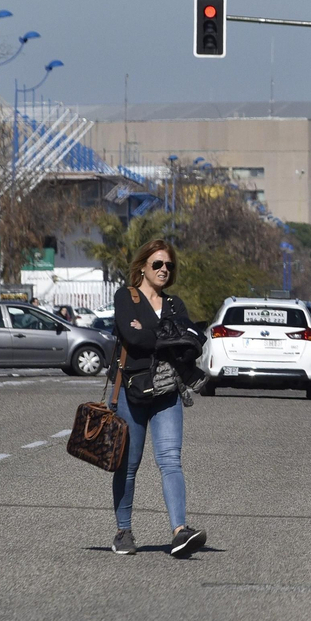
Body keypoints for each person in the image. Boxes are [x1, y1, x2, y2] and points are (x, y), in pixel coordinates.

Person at [111, 239, 208, 558]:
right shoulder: (126, 297)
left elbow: (189, 341)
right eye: (158, 264)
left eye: (169, 265)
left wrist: (157, 334)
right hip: (132, 390)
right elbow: (133, 335)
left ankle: (180, 532)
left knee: (170, 460)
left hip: (167, 390)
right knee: (128, 464)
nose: (164, 269)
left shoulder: (175, 304)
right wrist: (165, 335)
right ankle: (123, 532)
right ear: (142, 267)